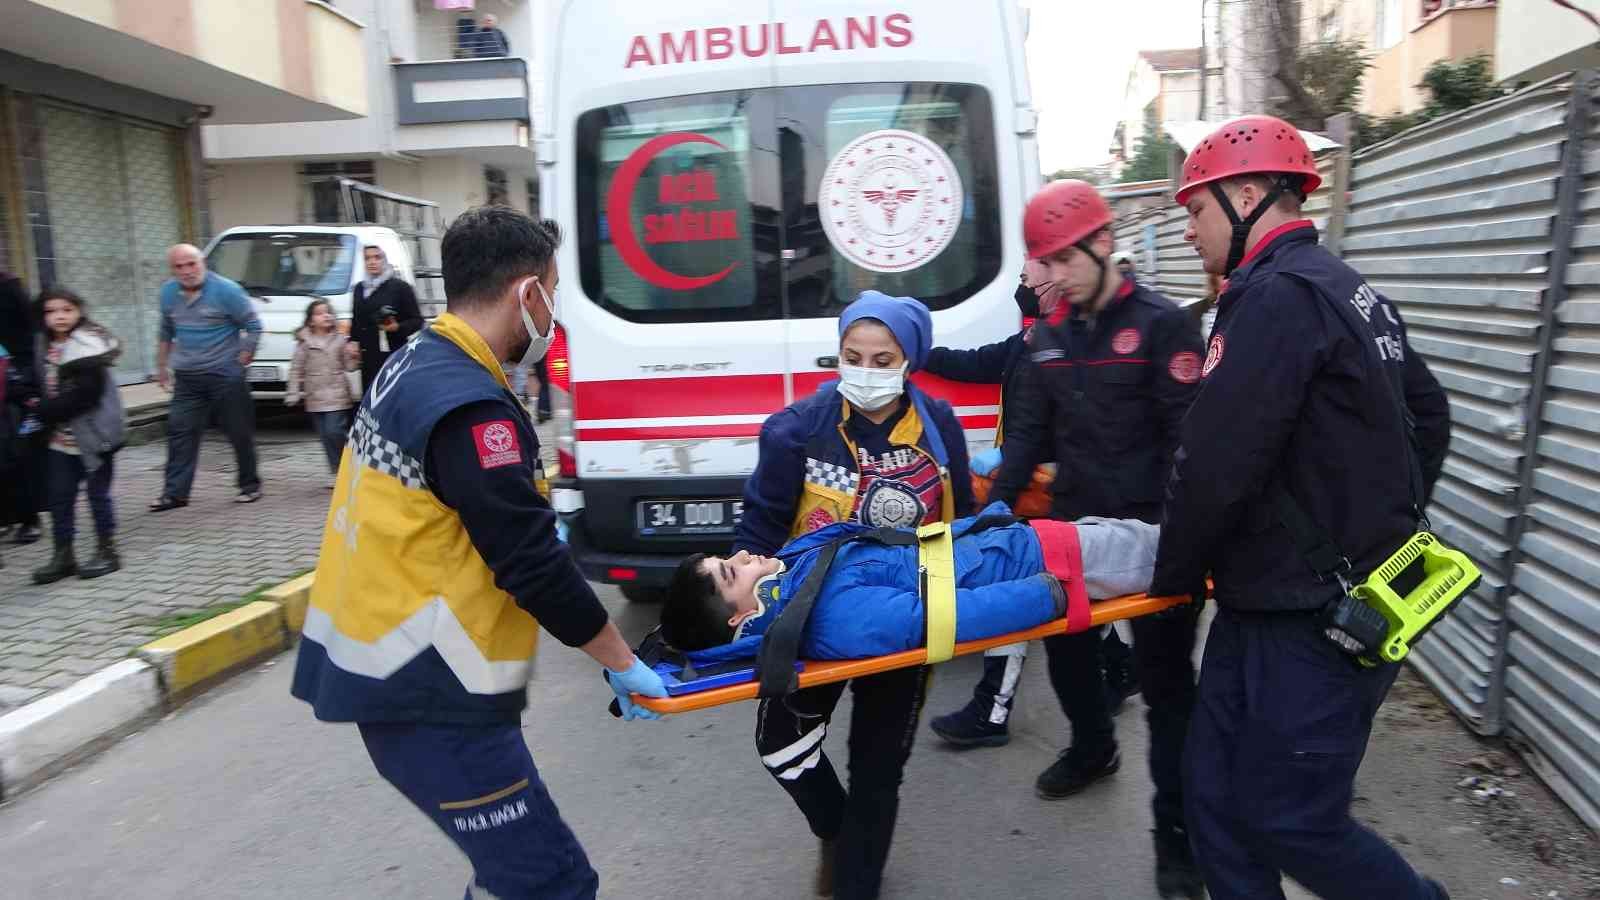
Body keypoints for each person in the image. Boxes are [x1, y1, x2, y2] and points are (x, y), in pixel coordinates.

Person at [290, 207, 667, 900]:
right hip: (429, 695)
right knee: (553, 883)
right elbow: (530, 563)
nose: (554, 315)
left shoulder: (417, 359)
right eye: (553, 291)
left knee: (512, 879)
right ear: (529, 294)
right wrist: (622, 660)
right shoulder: (470, 405)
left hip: (407, 684)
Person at [1149, 115, 1452, 900]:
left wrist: (1169, 585)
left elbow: (1212, 464)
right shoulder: (1348, 289)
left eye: (1195, 210)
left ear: (1248, 195)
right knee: (1216, 802)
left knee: (1292, 820)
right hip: (1273, 603)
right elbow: (1431, 415)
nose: (1187, 232)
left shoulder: (1276, 298)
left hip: (1313, 617)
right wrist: (1382, 519)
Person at [989, 179, 1207, 896]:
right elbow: (1026, 434)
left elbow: (1188, 441)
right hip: (1073, 532)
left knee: (1170, 692)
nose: (1050, 275)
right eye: (1041, 261)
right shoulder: (1048, 337)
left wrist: (1186, 543)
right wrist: (994, 509)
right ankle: (1092, 747)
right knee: (1069, 657)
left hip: (1152, 539)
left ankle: (1176, 841)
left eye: (1060, 258)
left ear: (1104, 243)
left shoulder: (1162, 326)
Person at [733, 290, 972, 900]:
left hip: (908, 618)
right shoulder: (796, 432)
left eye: (881, 359)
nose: (864, 372)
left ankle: (856, 878)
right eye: (852, 356)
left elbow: (964, 516)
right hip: (814, 620)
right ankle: (839, 831)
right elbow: (761, 526)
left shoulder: (938, 427)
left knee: (879, 767)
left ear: (909, 361)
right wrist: (738, 609)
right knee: (782, 749)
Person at [663, 506, 1156, 658]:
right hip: (1051, 563)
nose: (745, 555)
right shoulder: (828, 617)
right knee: (1180, 550)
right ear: (741, 617)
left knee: (1163, 539)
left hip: (1025, 541)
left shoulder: (799, 576)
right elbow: (945, 620)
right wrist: (1045, 593)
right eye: (733, 571)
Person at [923, 260, 1065, 748]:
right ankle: (1119, 668)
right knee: (1073, 590)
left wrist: (1000, 494)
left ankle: (993, 710)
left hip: (1039, 487)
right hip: (1028, 482)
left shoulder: (1064, 345)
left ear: (1052, 283)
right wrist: (922, 353)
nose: (1020, 288)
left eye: (1027, 280)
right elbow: (979, 361)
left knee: (1016, 584)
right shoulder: (1029, 341)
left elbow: (1070, 425)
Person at [152, 243, 264, 510]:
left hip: (225, 375)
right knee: (180, 432)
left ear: (203, 262)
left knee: (239, 432)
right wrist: (161, 365)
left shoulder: (227, 291)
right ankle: (175, 494)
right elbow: (166, 330)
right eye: (179, 266)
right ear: (172, 270)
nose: (187, 271)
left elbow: (254, 326)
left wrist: (243, 358)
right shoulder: (168, 293)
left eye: (192, 264)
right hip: (188, 377)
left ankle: (249, 486)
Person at [27, 287, 126, 584]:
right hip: (60, 439)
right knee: (60, 497)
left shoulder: (88, 346)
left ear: (79, 312)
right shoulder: (43, 345)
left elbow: (86, 396)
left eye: (67, 310)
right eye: (52, 311)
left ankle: (107, 551)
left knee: (98, 496)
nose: (59, 316)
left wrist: (43, 411)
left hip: (94, 437)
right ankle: (63, 554)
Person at [285, 299, 359, 488]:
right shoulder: (304, 343)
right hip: (315, 396)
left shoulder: (340, 339)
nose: (326, 315)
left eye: (328, 312)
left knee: (335, 431)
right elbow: (296, 369)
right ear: (311, 321)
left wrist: (353, 356)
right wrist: (293, 392)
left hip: (337, 394)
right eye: (320, 313)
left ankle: (351, 466)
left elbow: (349, 367)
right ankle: (336, 471)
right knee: (325, 435)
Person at [0, 270, 43, 544]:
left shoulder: (8, 288)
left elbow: (30, 334)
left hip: (12, 378)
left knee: (12, 452)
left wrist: (25, 381)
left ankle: (28, 518)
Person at [350, 244, 423, 399]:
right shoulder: (359, 288)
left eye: (377, 257)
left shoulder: (400, 287)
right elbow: (356, 319)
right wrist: (352, 342)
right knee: (371, 399)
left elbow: (417, 321)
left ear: (385, 260)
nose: (372, 262)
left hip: (393, 355)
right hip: (368, 358)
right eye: (367, 258)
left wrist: (398, 327)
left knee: (392, 398)